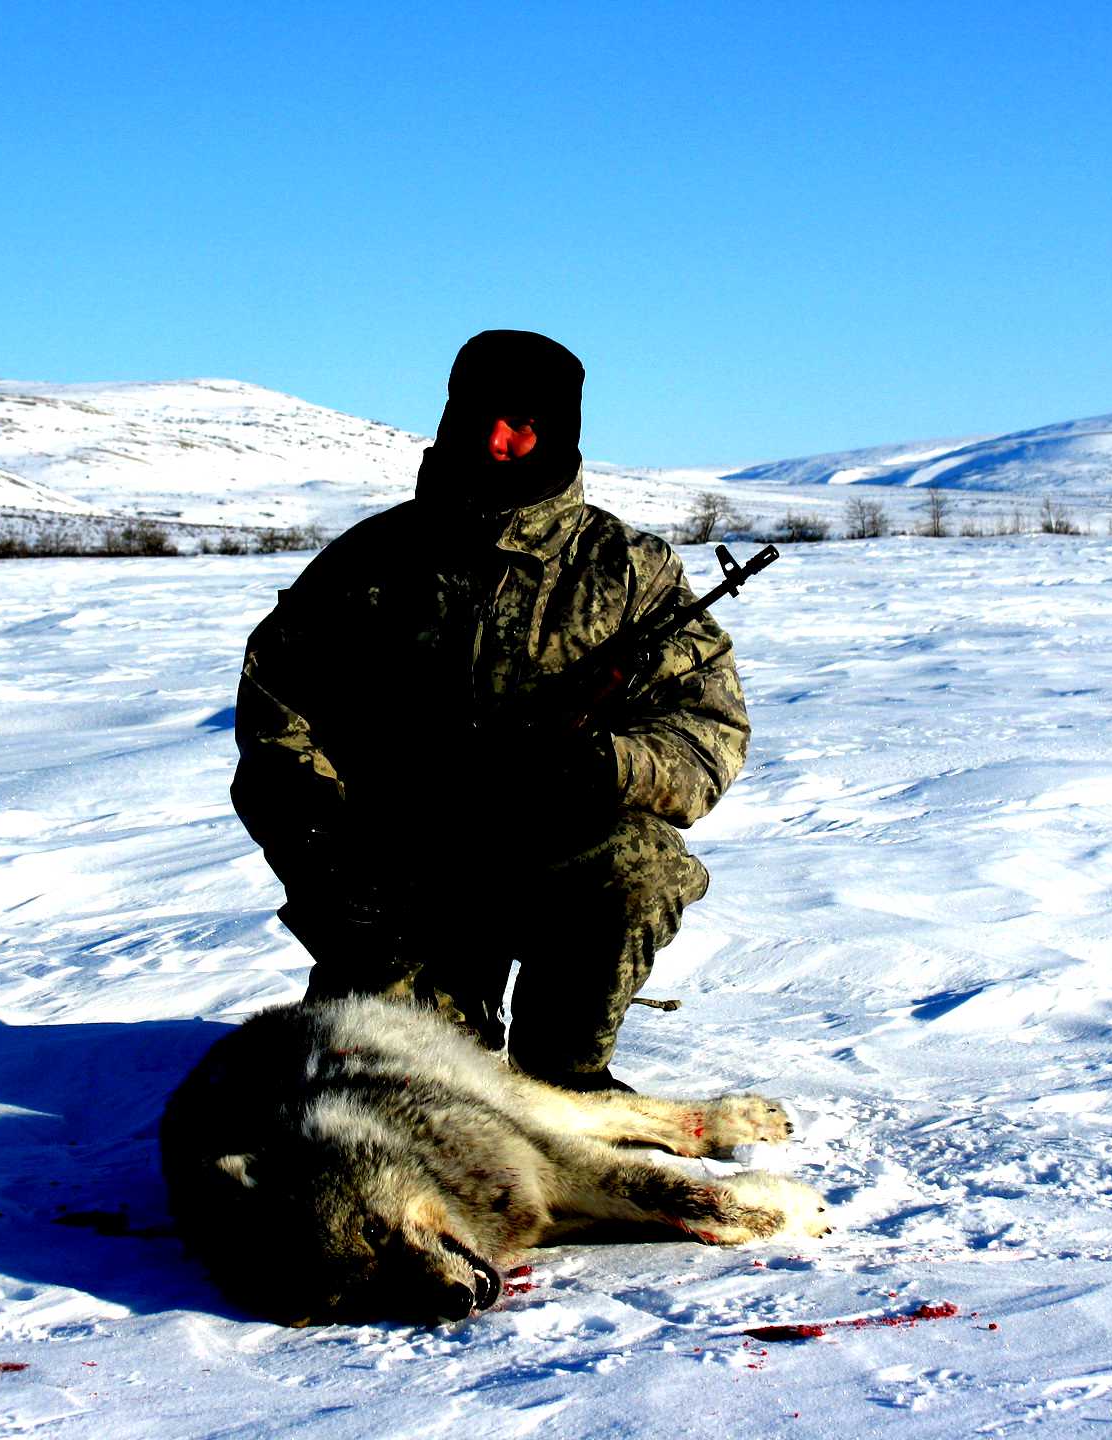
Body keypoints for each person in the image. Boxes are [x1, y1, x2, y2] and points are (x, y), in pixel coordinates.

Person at [229, 330, 750, 1090]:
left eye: (523, 423)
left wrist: (610, 764)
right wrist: (326, 852)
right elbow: (277, 716)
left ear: (560, 432)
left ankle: (566, 1071)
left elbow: (708, 733)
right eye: (478, 415)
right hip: (397, 879)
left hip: (552, 860)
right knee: (393, 1096)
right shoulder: (368, 564)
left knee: (639, 866)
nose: (496, 440)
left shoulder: (630, 571)